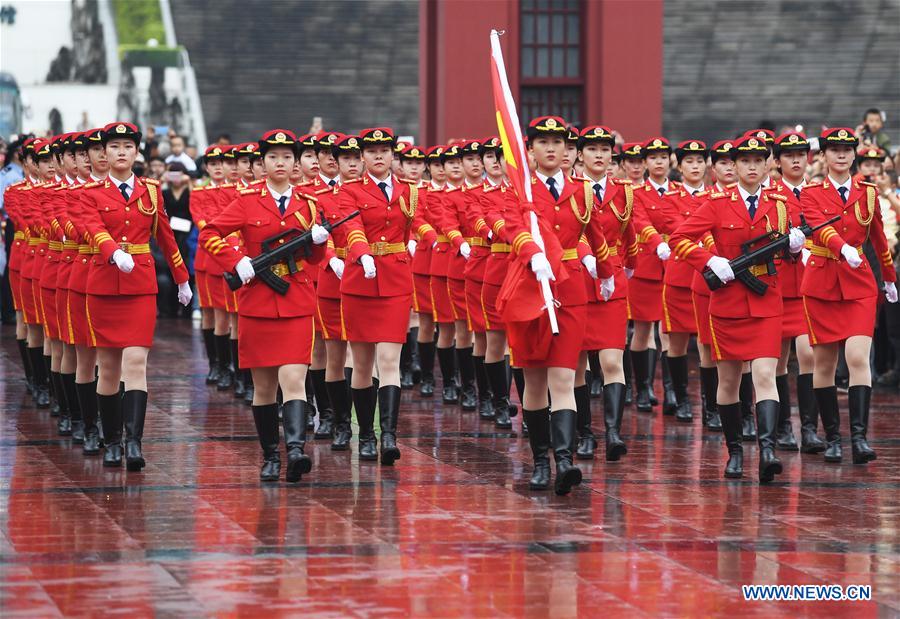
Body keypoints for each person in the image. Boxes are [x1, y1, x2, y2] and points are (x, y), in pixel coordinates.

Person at [670, 134, 806, 482]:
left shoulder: (779, 203)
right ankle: (735, 451)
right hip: (728, 301)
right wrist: (710, 261)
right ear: (734, 165)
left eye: (758, 161)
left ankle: (768, 449)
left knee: (765, 375)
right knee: (728, 381)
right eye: (744, 161)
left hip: (765, 299)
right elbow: (679, 239)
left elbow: (787, 252)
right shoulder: (716, 202)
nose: (751, 167)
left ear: (767, 165)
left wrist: (793, 247)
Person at [199, 129, 329, 481]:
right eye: (274, 157)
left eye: (288, 157)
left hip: (297, 300)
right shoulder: (245, 202)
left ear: (296, 162)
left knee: (294, 379)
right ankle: (271, 455)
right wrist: (235, 259)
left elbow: (316, 258)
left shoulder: (309, 205)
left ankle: (297, 450)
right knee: (265, 387)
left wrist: (320, 242)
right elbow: (210, 233)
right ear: (263, 163)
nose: (282, 163)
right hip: (257, 300)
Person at [500, 116, 615, 495]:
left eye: (558, 142)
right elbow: (509, 226)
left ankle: (564, 462)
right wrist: (531, 252)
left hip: (570, 290)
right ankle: (539, 461)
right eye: (542, 142)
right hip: (529, 287)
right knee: (534, 382)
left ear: (568, 150)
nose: (551, 148)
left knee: (564, 377)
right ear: (529, 150)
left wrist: (605, 270)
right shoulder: (521, 190)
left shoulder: (581, 191)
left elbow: (595, 232)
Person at [81, 121, 192, 469]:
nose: (121, 152)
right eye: (114, 147)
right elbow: (91, 228)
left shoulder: (152, 190)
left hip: (141, 286)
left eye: (128, 147)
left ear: (136, 152)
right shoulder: (92, 193)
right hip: (103, 284)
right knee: (109, 368)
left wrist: (182, 279)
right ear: (104, 153)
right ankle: (111, 440)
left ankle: (133, 443)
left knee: (136, 364)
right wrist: (113, 251)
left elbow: (166, 237)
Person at [336, 127, 436, 465]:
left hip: (394, 279)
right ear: (362, 156)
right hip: (360, 281)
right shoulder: (349, 190)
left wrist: (423, 240)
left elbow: (413, 225)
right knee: (363, 364)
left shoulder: (409, 191)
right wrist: (362, 253)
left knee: (390, 361)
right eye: (372, 151)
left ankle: (389, 436)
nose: (379, 156)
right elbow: (351, 227)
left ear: (393, 155)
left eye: (384, 150)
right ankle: (366, 434)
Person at [799, 127, 898, 465]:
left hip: (858, 284)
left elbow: (880, 238)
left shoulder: (868, 193)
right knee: (824, 363)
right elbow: (819, 228)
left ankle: (858, 437)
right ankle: (833, 438)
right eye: (834, 150)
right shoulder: (811, 192)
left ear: (854, 154)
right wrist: (843, 248)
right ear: (824, 155)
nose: (841, 155)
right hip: (823, 281)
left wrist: (888, 278)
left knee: (857, 358)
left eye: (846, 150)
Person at [575, 125, 637, 460]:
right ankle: (585, 433)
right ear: (580, 154)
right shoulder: (572, 190)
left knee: (612, 360)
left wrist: (630, 266)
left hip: (612, 282)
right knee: (578, 363)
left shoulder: (624, 192)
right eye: (592, 149)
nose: (599, 155)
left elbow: (630, 234)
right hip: (580, 280)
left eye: (605, 149)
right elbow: (573, 232)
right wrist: (590, 262)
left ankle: (613, 431)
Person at [768, 131, 825, 453]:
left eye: (801, 155)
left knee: (809, 355)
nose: (796, 160)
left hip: (810, 284)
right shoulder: (772, 195)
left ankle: (809, 428)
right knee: (777, 360)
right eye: (789, 155)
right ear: (777, 161)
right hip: (779, 283)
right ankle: (783, 428)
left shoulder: (819, 193)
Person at [316, 133, 363, 450]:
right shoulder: (322, 196)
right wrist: (332, 258)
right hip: (333, 279)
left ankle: (365, 425)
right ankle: (337, 420)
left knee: (362, 356)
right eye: (342, 158)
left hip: (364, 277)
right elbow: (323, 231)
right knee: (334, 355)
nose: (347, 163)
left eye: (353, 158)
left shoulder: (373, 194)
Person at [659, 140, 710, 423]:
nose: (695, 166)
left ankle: (709, 403)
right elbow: (678, 230)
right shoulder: (669, 198)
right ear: (680, 165)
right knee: (676, 343)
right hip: (679, 277)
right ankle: (680, 398)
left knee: (707, 344)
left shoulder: (715, 196)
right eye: (689, 161)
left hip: (707, 279)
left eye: (699, 161)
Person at [630, 138, 678, 414]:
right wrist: (655, 242)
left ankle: (670, 389)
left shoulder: (680, 191)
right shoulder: (637, 192)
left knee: (670, 331)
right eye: (653, 157)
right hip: (647, 264)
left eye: (663, 157)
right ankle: (644, 387)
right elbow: (639, 221)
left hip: (675, 263)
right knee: (644, 329)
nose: (658, 162)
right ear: (645, 162)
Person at [475, 136, 518, 428]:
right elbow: (480, 220)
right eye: (494, 157)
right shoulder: (484, 193)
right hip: (497, 266)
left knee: (521, 343)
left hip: (522, 270)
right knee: (495, 341)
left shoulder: (526, 193)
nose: (498, 162)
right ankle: (499, 400)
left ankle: (530, 403)